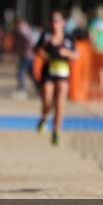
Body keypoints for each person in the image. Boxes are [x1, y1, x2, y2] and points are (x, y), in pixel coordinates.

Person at [35, 11, 77, 146]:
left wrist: (67, 53)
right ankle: (44, 117)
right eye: (53, 20)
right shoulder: (46, 35)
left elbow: (76, 55)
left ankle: (56, 132)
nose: (55, 23)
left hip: (63, 72)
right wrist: (44, 55)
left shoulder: (69, 37)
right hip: (48, 71)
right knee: (47, 101)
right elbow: (36, 49)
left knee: (60, 104)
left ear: (63, 23)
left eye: (58, 21)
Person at [13, 17, 38, 98]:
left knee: (20, 72)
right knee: (31, 73)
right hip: (29, 55)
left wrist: (26, 50)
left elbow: (29, 41)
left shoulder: (21, 29)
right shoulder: (27, 28)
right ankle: (40, 90)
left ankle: (22, 90)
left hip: (26, 55)